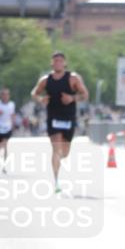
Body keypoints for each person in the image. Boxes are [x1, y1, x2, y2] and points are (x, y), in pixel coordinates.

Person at [31, 51, 89, 192]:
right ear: (52, 63)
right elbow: (34, 93)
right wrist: (40, 99)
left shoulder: (73, 78)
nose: (58, 63)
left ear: (65, 63)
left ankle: (59, 162)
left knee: (65, 152)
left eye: (60, 60)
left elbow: (85, 94)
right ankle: (56, 181)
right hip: (53, 118)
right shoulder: (46, 79)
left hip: (69, 118)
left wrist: (72, 98)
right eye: (55, 60)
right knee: (56, 148)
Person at [0, 88, 16, 173]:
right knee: (1, 145)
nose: (5, 96)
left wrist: (13, 125)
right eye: (4, 94)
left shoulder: (11, 104)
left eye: (7, 94)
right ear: (1, 95)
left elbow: (12, 115)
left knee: (5, 145)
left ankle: (4, 165)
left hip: (7, 127)